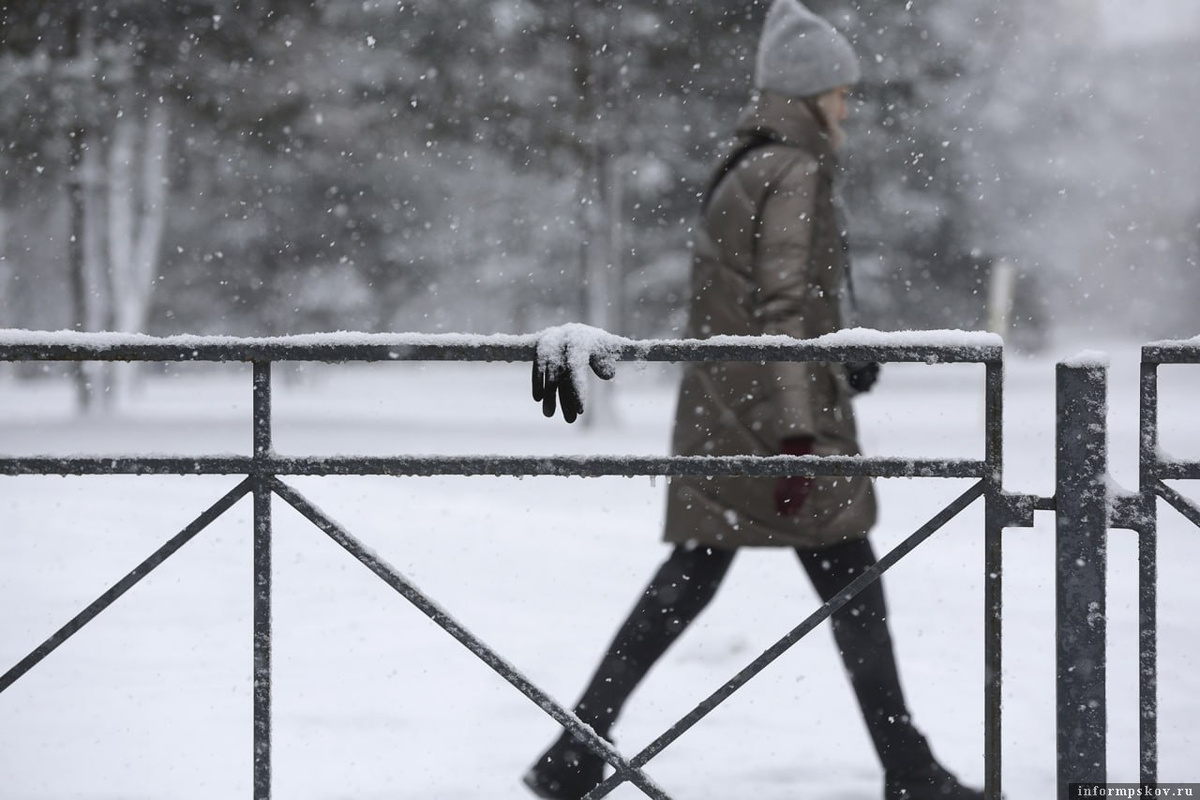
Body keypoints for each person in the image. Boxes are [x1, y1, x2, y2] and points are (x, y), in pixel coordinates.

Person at [523, 2, 983, 798]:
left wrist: (842, 357)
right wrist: (803, 435)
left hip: (732, 410)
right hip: (780, 424)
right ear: (808, 93)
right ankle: (909, 771)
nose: (848, 106)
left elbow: (763, 303)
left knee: (692, 582)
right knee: (851, 594)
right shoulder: (795, 169)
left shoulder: (749, 162)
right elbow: (778, 312)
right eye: (839, 92)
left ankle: (576, 749)